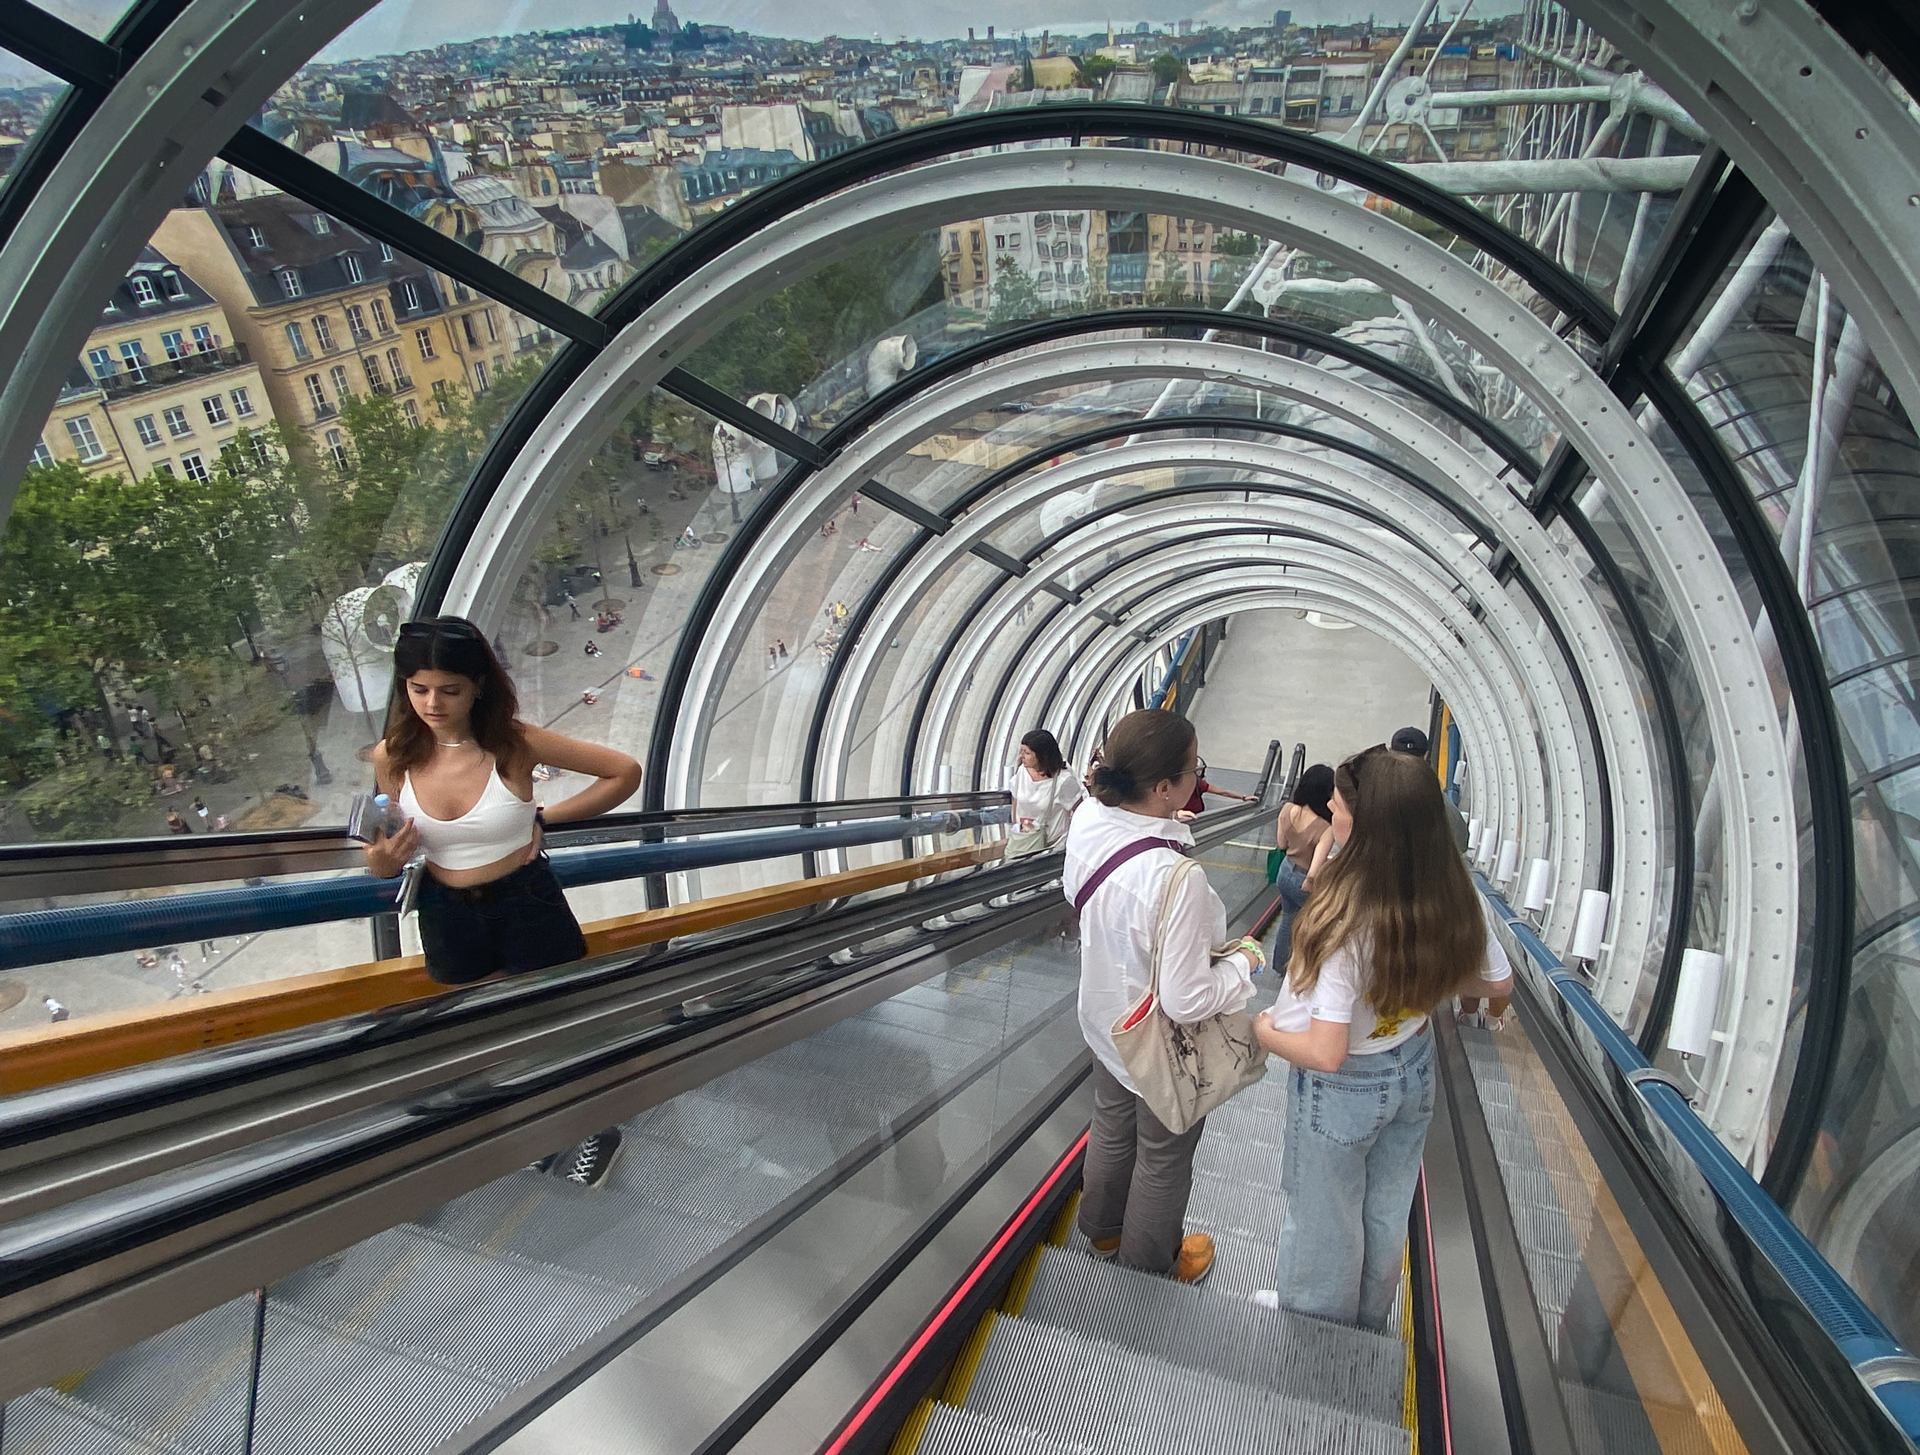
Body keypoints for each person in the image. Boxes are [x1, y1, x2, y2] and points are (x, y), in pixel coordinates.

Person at [364, 616, 644, 1187]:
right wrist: (383, 862)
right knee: (481, 1029)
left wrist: (546, 817)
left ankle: (591, 1127)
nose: (433, 703)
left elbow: (623, 772)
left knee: (554, 1022)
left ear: (478, 687)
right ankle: (527, 1130)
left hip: (525, 900)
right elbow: (391, 842)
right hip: (445, 909)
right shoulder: (390, 757)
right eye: (419, 688)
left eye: (450, 689)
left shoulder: (514, 745)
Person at [1252, 747, 1513, 1329]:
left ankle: (1315, 1332)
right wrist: (1419, 971)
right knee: (1384, 1213)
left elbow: (1326, 1051)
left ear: (1368, 825)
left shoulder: (1351, 915)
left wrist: (1262, 1030)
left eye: (1339, 807)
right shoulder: (1450, 893)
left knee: (1324, 1214)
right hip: (1413, 1067)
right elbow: (1499, 981)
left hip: (1343, 1086)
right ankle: (1368, 1323)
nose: (1330, 812)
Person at [1065, 709, 1264, 1284]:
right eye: (1192, 770)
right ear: (1163, 788)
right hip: (1157, 1042)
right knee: (1162, 1158)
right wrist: (1244, 964)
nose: (1198, 780)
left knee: (1109, 1127)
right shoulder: (1176, 878)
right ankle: (1147, 1266)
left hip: (1106, 1022)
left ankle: (1101, 1230)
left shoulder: (1089, 823)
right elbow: (1186, 1000)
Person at [1270, 763, 1333, 972]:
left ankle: (1280, 965)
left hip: (1285, 871)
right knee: (1312, 926)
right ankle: (1304, 968)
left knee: (1288, 918)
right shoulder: (1326, 827)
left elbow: (1281, 844)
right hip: (1304, 880)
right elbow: (1316, 867)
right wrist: (1311, 883)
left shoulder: (1288, 809)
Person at [1005, 728, 1084, 855]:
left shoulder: (1063, 781)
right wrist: (1016, 826)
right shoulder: (1022, 772)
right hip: (1022, 842)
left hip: (1052, 847)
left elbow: (1080, 810)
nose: (1022, 756)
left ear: (1042, 755)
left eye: (1027, 753)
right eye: (1021, 751)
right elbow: (1015, 799)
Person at [1181, 769, 1257, 817]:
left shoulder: (1198, 783)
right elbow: (1223, 792)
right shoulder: (1196, 783)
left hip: (1195, 818)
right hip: (1184, 820)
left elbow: (1223, 792)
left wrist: (1243, 797)